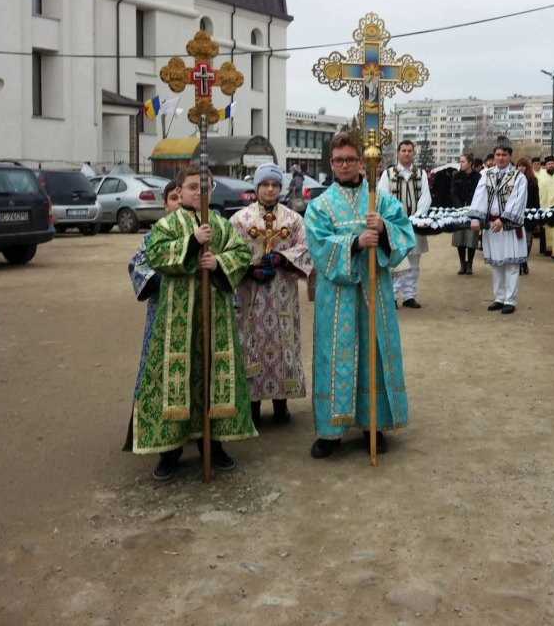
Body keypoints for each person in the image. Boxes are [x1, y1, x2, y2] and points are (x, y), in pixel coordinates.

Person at [129, 165, 256, 482]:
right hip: (176, 320)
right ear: (180, 190)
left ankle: (214, 445)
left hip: (216, 319)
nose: (199, 192)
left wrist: (218, 263)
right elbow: (156, 255)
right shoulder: (167, 224)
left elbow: (240, 252)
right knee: (173, 381)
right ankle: (169, 452)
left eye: (205, 187)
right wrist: (191, 242)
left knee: (213, 379)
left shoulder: (220, 224)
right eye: (192, 187)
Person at [304, 134, 416, 459]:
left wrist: (382, 228)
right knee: (334, 355)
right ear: (331, 163)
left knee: (374, 353)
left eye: (350, 159)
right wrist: (354, 243)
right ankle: (331, 430)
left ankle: (373, 424)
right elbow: (318, 244)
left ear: (361, 162)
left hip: (374, 293)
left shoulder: (380, 200)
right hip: (336, 298)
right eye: (338, 160)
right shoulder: (319, 205)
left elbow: (404, 231)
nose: (344, 165)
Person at [231, 163, 314, 428]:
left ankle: (281, 405)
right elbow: (229, 252)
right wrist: (249, 270)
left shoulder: (293, 219)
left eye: (275, 185)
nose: (270, 189)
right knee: (250, 345)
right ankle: (252, 407)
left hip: (282, 295)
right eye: (265, 184)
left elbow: (305, 249)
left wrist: (281, 257)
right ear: (256, 187)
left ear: (281, 187)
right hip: (251, 296)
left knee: (283, 344)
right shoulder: (240, 219)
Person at [124, 181, 182, 460]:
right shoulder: (154, 236)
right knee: (159, 377)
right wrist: (164, 276)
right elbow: (138, 266)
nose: (179, 202)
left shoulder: (206, 232)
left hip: (196, 321)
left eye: (184, 197)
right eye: (174, 197)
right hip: (162, 320)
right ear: (166, 204)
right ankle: (164, 445)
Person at [469, 137, 528, 315]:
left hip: (509, 226)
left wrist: (502, 219)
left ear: (510, 156)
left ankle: (510, 300)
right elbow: (479, 196)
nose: (500, 158)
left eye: (504, 154)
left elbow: (518, 201)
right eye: (497, 155)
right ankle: (499, 298)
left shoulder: (519, 176)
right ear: (494, 156)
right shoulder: (487, 174)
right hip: (491, 226)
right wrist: (475, 217)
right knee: (496, 264)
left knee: (511, 263)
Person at [377, 140, 431, 308]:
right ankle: (392, 296)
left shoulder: (420, 174)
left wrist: (417, 216)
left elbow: (426, 197)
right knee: (396, 261)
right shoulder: (388, 173)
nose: (407, 153)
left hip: (415, 224)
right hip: (395, 225)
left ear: (413, 153)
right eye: (404, 150)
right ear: (398, 153)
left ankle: (409, 296)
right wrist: (396, 216)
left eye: (410, 150)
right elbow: (382, 196)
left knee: (414, 262)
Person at [450, 153, 480, 275]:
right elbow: (453, 192)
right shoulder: (456, 176)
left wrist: (473, 207)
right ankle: (462, 263)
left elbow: (479, 194)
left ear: (470, 163)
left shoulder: (478, 177)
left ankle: (470, 264)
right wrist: (459, 207)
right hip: (459, 211)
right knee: (460, 237)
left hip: (473, 211)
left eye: (463, 161)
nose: (460, 164)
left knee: (471, 238)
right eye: (460, 161)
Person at [515, 156, 539, 275]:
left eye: (523, 166)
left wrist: (536, 215)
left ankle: (524, 261)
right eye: (519, 165)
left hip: (529, 214)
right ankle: (519, 263)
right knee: (518, 240)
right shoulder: (513, 180)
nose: (521, 168)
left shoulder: (533, 181)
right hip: (516, 215)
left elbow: (536, 200)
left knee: (528, 241)